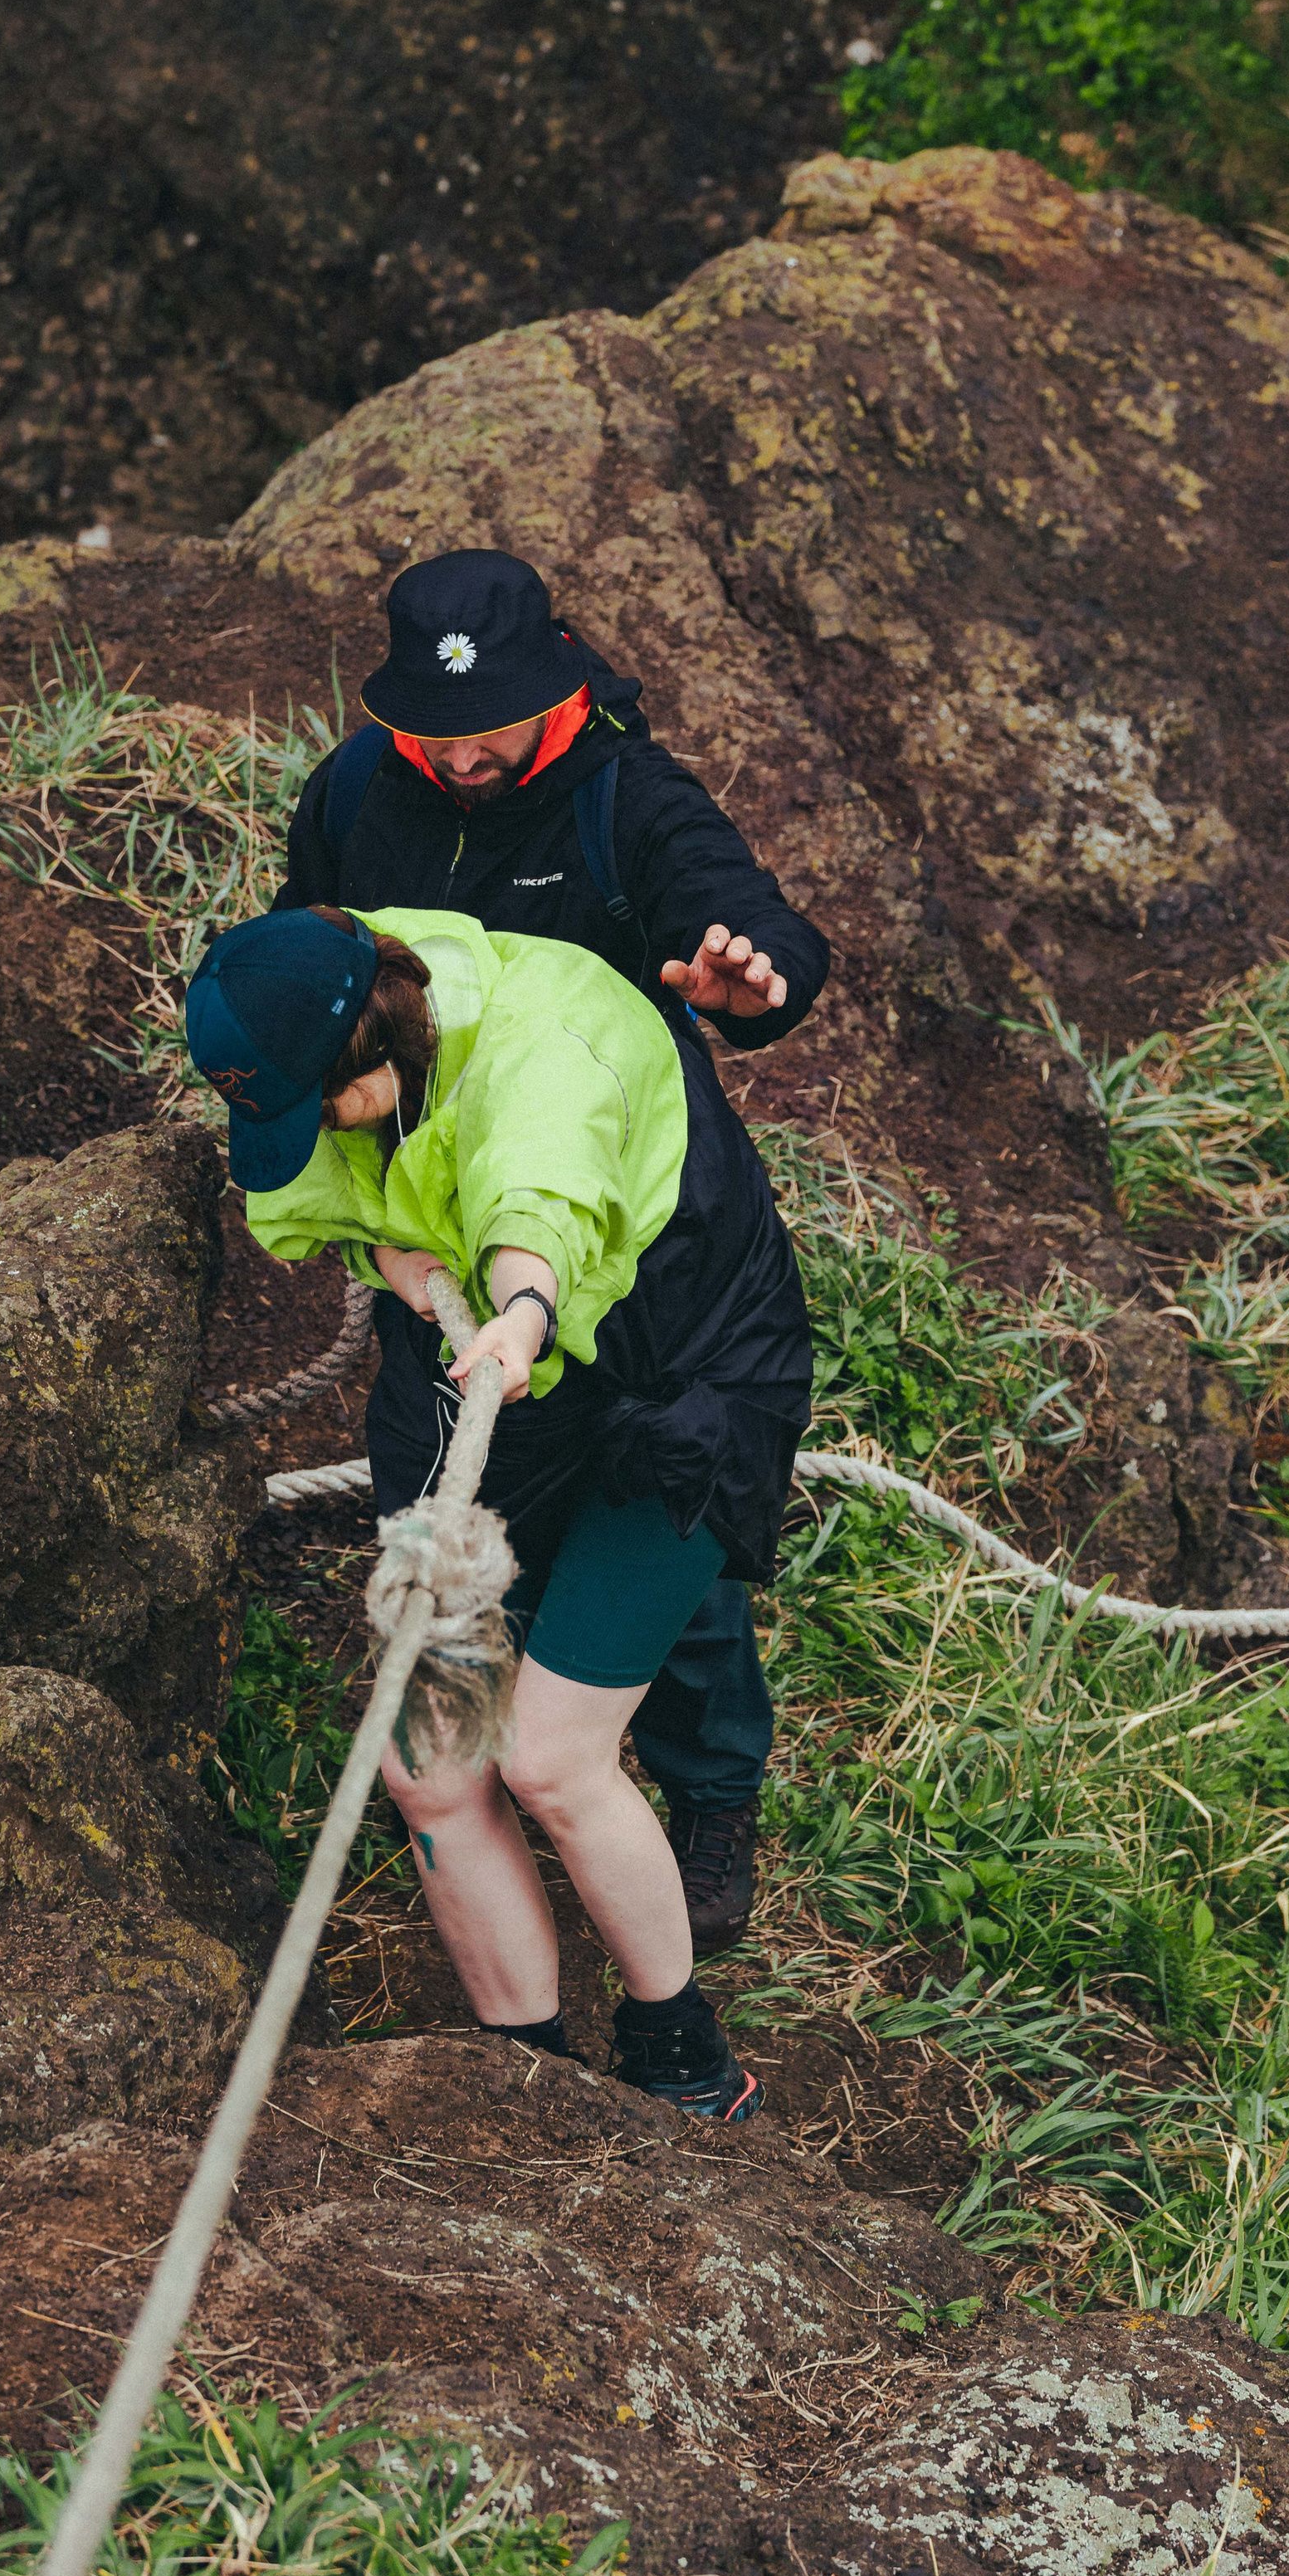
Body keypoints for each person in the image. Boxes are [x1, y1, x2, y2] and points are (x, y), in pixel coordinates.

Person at [271, 548, 829, 1954]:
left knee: (668, 1530)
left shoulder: (622, 795)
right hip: (452, 1224)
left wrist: (750, 984)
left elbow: (749, 916)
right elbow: (311, 956)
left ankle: (710, 1791)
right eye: (436, 734)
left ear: (555, 689)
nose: (465, 759)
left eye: (492, 730)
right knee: (500, 1507)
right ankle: (491, 1782)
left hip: (647, 1240)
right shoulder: (353, 793)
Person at [184, 898, 813, 2118]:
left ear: (378, 1046)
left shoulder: (541, 1053)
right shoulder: (311, 1017)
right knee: (429, 1766)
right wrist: (399, 1263)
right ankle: (529, 2074)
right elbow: (326, 1203)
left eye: (322, 1106)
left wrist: (518, 1315)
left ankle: (681, 2050)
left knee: (550, 1758)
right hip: (488, 1379)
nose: (313, 1131)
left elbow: (540, 1200)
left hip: (680, 1380)